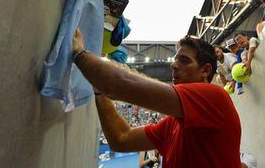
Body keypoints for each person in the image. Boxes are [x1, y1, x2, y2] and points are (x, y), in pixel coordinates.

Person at [73, 30, 243, 167]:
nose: (173, 65)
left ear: (205, 71)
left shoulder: (214, 97)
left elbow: (120, 84)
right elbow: (121, 139)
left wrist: (79, 52)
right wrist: (99, 91)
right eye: (175, 59)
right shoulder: (171, 123)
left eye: (184, 60)